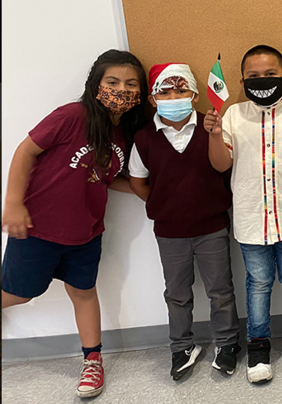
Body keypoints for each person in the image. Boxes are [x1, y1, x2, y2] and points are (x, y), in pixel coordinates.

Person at [1, 49, 148, 398]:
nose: (121, 90)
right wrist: (13, 203)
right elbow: (25, 151)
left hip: (86, 232)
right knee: (20, 294)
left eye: (131, 84)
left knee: (83, 292)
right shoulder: (72, 116)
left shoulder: (125, 133)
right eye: (113, 82)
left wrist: (148, 193)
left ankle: (92, 360)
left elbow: (108, 176)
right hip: (37, 228)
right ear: (96, 84)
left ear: (140, 93)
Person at [204, 45, 282, 382]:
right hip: (251, 221)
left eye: (270, 74)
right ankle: (258, 347)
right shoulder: (232, 116)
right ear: (242, 81)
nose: (262, 80)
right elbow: (220, 164)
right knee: (258, 283)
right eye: (253, 76)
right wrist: (215, 134)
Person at [129, 63, 239, 380]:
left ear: (194, 94)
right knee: (177, 294)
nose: (173, 97)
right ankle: (181, 347)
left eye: (180, 90)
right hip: (169, 232)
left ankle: (227, 343)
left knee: (220, 290)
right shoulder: (144, 138)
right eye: (164, 92)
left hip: (212, 227)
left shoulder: (210, 127)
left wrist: (214, 133)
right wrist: (164, 204)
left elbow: (223, 166)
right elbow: (138, 181)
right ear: (152, 99)